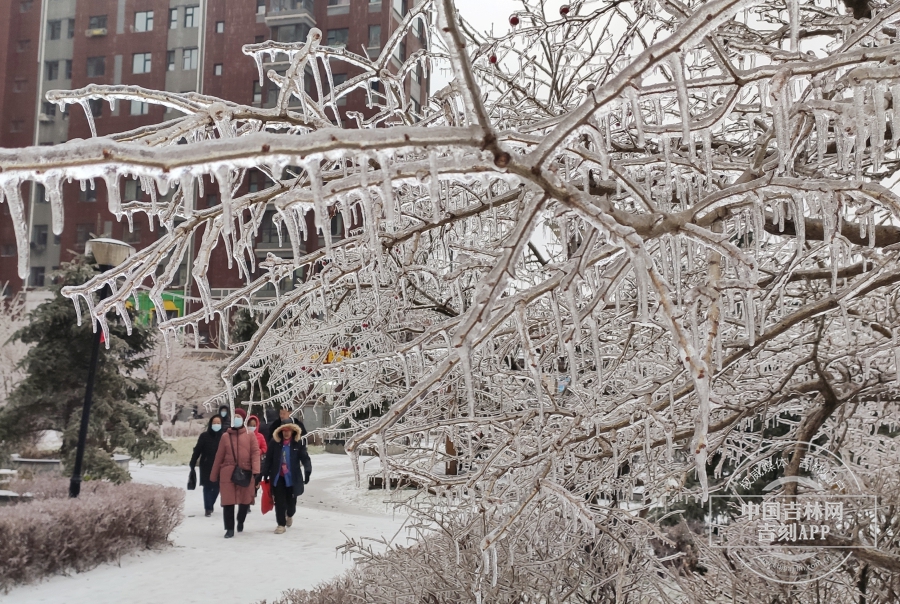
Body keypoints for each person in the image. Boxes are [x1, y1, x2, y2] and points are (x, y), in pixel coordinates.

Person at [210, 408, 260, 538]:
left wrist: (256, 470)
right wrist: (213, 474)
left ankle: (241, 520)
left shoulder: (250, 435)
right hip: (227, 472)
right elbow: (219, 456)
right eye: (235, 416)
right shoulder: (225, 436)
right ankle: (229, 528)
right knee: (228, 502)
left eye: (239, 416)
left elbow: (255, 453)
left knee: (245, 501)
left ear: (243, 419)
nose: (236, 418)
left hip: (245, 471)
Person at [262, 420, 312, 534]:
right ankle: (280, 524)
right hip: (278, 477)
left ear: (293, 431)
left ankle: (289, 515)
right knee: (279, 502)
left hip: (292, 478)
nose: (286, 433)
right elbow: (268, 459)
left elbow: (305, 458)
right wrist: (265, 473)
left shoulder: (297, 443)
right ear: (280, 431)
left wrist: (307, 470)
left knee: (291, 504)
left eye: (288, 430)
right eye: (284, 430)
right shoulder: (274, 442)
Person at [189, 415, 224, 517]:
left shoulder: (224, 436)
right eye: (214, 423)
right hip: (206, 464)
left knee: (217, 487)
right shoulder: (204, 436)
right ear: (210, 424)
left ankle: (211, 503)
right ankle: (208, 508)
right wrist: (193, 461)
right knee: (207, 486)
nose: (216, 425)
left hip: (219, 465)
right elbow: (197, 450)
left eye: (218, 423)